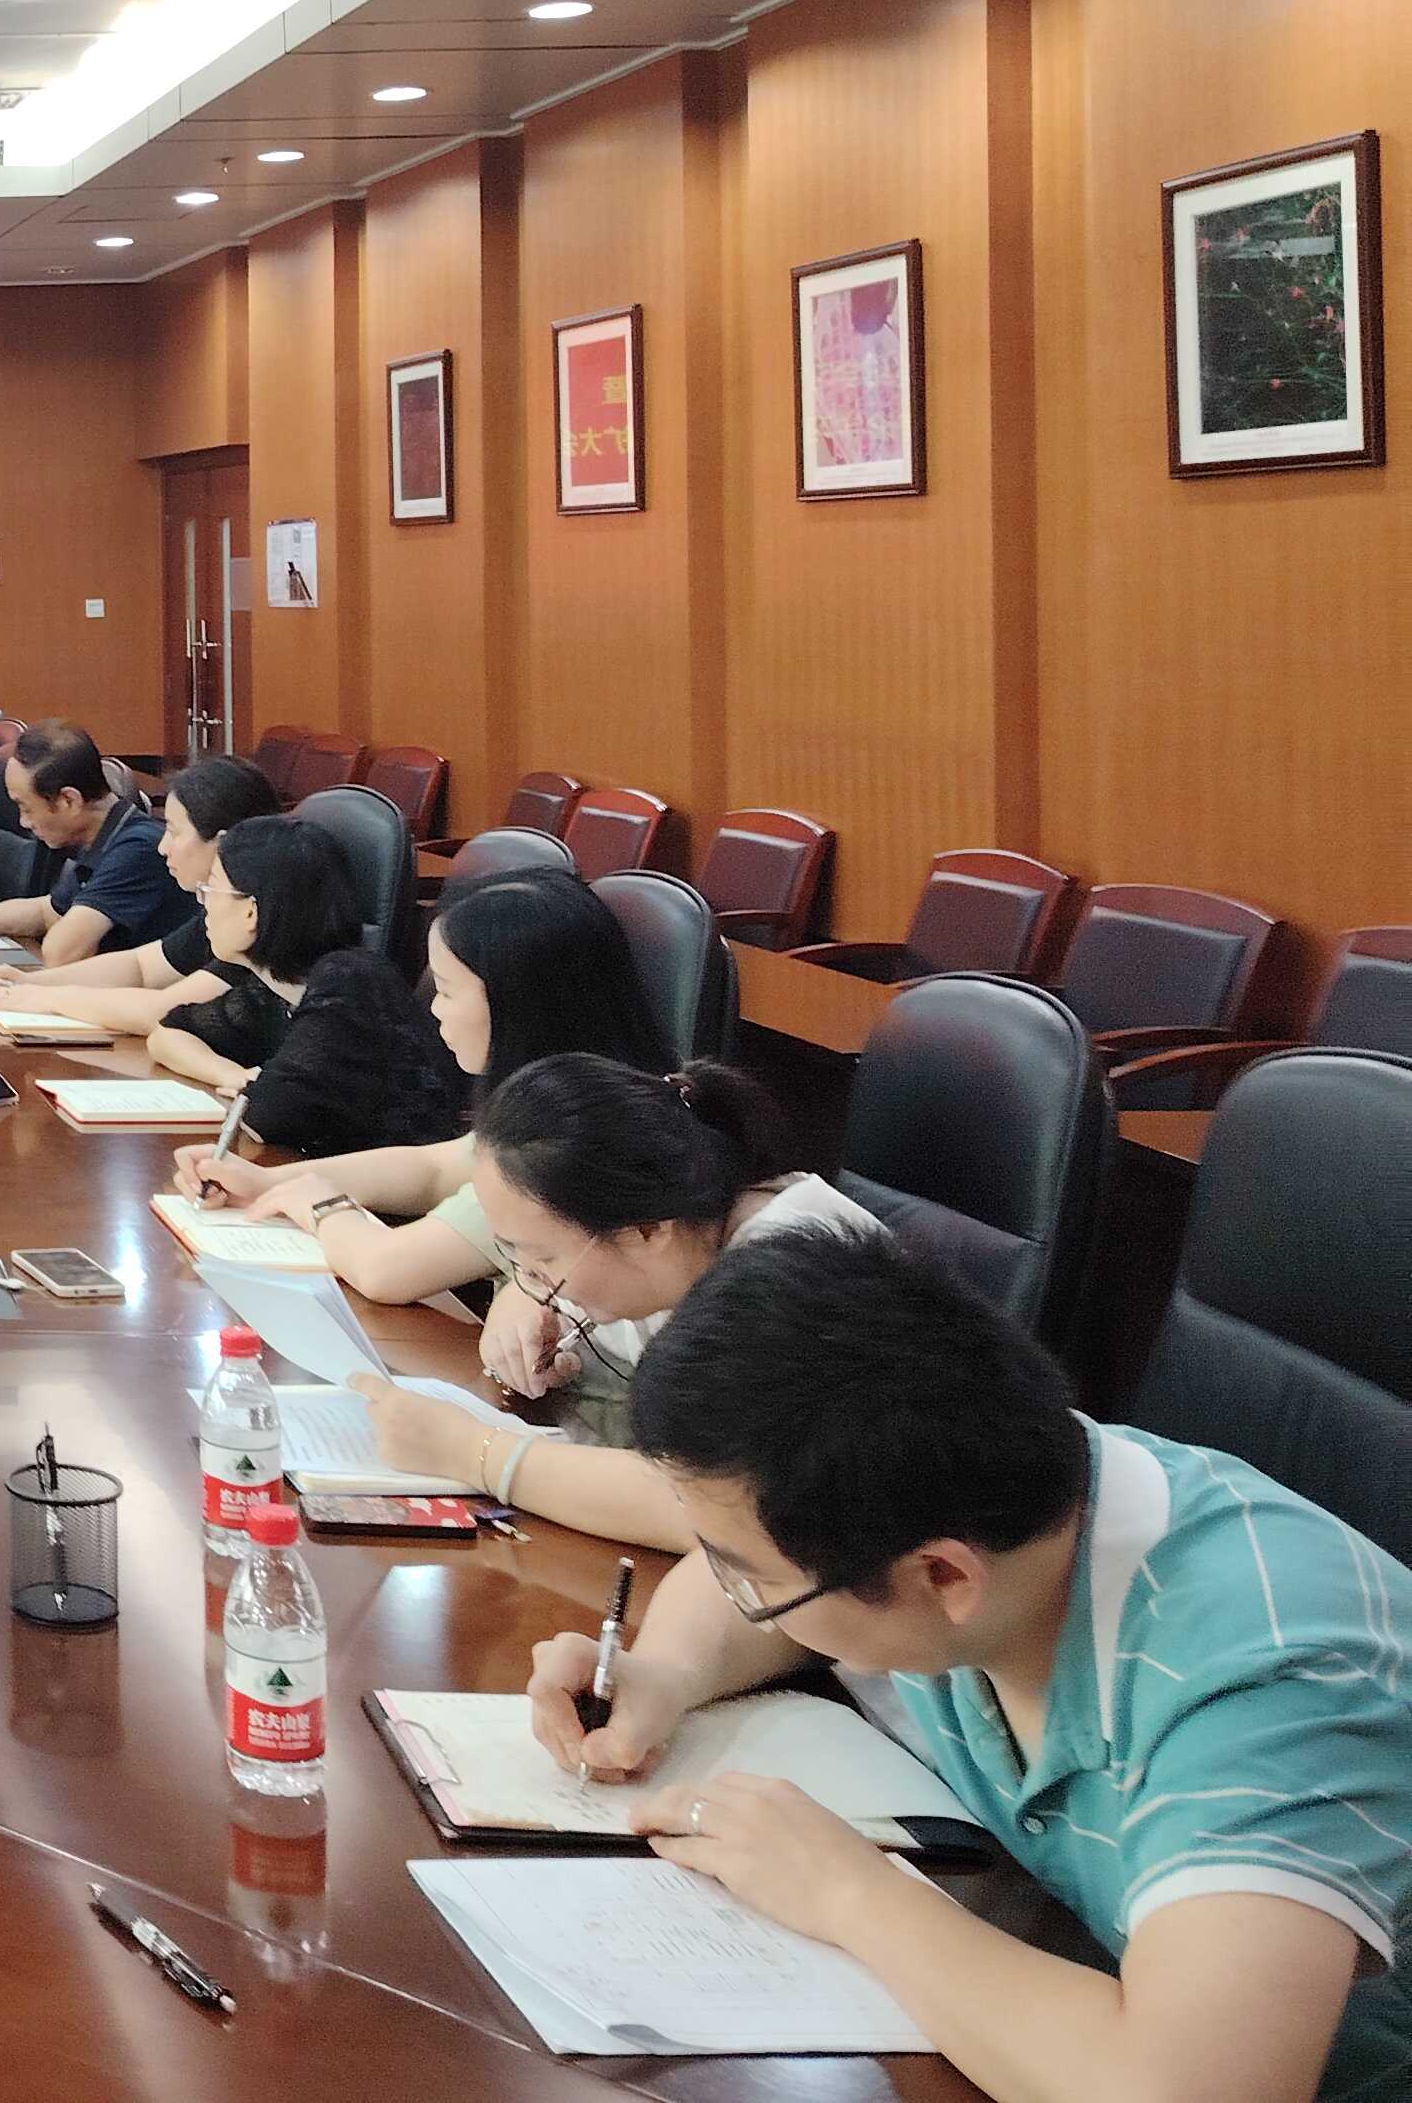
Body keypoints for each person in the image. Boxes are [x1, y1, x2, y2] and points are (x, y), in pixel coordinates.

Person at [528, 1231, 1412, 2103]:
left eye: (753, 1580)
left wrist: (849, 1893)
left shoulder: (1270, 1683)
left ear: (945, 1578)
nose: (736, 1590)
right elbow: (758, 1576)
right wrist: (667, 1673)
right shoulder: (983, 1499)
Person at [180, 867, 677, 1413]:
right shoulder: (579, 1088)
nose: (433, 1007)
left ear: (515, 1004)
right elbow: (435, 1169)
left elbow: (387, 1269)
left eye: (446, 989)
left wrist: (320, 1206)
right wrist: (268, 1180)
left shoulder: (572, 1134)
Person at [345, 1052, 881, 1542]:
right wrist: (524, 1304)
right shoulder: (681, 1226)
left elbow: (720, 1512)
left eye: (544, 1258)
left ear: (646, 1230)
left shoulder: (792, 1277)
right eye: (516, 1260)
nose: (536, 1282)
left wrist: (473, 1453)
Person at [131, 816, 458, 1157]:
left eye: (211, 889)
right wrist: (232, 1075)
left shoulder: (349, 981)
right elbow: (167, 1033)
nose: (205, 904)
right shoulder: (274, 989)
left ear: (251, 912)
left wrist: (254, 1091)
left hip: (393, 1187)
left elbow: (269, 1115)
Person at [0, 753, 281, 1029]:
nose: (163, 847)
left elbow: (164, 1011)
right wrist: (29, 982)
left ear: (224, 843)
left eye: (174, 832)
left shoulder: (262, 919)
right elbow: (140, 967)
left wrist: (46, 998)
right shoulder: (220, 909)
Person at [0, 727, 199, 965]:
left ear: (69, 800)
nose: (23, 822)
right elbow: (46, 911)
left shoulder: (138, 848)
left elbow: (61, 953)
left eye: (25, 807)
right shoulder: (105, 834)